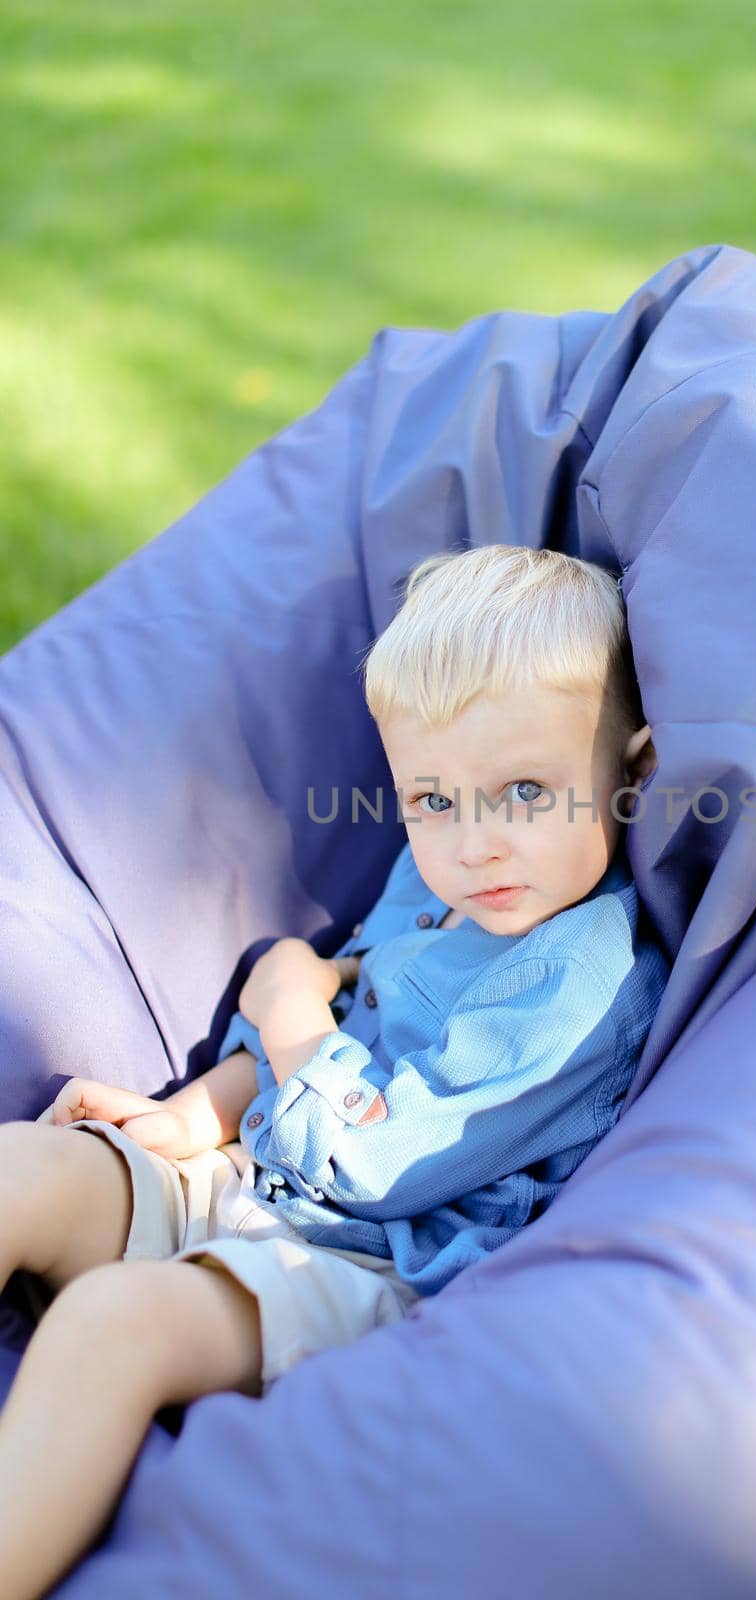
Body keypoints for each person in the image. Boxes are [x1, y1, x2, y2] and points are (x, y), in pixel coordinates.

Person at [0, 544, 670, 1600]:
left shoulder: (583, 981)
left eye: (525, 792)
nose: (476, 843)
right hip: (252, 1184)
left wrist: (284, 1001)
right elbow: (348, 1000)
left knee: (110, 1323)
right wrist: (196, 1114)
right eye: (433, 800)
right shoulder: (436, 878)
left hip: (363, 1268)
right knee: (18, 1169)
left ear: (628, 774)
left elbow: (376, 1159)